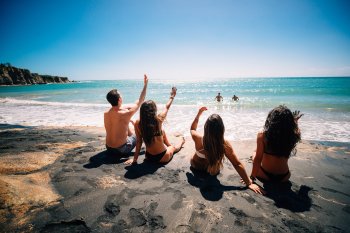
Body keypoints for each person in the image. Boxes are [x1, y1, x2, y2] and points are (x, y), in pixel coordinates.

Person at [190, 106, 264, 194]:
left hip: (196, 167)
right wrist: (248, 182)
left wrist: (199, 113)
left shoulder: (198, 138)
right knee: (215, 159)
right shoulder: (224, 144)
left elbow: (192, 129)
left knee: (193, 155)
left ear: (206, 128)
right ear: (222, 129)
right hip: (212, 170)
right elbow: (237, 164)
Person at [125, 87, 185, 164]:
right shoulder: (158, 120)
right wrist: (172, 96)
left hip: (148, 156)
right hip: (163, 157)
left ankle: (168, 144)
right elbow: (167, 107)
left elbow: (139, 142)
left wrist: (135, 160)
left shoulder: (138, 123)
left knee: (162, 131)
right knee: (173, 148)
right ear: (154, 110)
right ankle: (181, 142)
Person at [250, 105, 302, 183]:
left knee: (254, 153)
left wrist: (252, 178)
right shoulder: (294, 135)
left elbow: (258, 159)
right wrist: (295, 122)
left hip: (264, 175)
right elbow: (296, 129)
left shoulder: (262, 135)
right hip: (284, 177)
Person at [104, 74, 148, 156]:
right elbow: (141, 100)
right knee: (140, 132)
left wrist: (128, 107)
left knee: (125, 122)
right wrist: (145, 84)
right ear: (120, 99)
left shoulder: (106, 113)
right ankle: (149, 148)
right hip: (121, 149)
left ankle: (131, 136)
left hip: (108, 147)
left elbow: (119, 109)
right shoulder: (125, 114)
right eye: (121, 95)